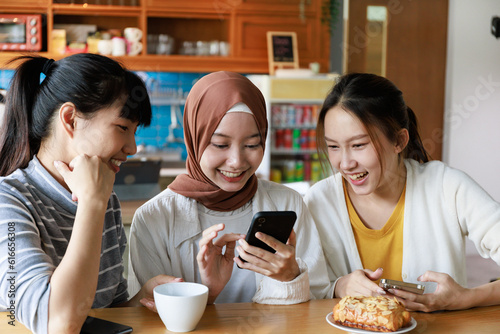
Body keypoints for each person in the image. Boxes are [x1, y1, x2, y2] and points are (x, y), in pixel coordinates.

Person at [0, 54, 181, 334]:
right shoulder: (8, 201)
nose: (132, 147)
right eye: (122, 128)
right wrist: (91, 204)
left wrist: (141, 297)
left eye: (134, 132)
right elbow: (58, 324)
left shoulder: (104, 201)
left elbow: (104, 313)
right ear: (70, 119)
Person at [127, 71, 332, 305]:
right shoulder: (154, 217)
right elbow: (145, 315)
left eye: (252, 144)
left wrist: (289, 278)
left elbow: (318, 305)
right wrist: (208, 293)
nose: (236, 161)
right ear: (195, 139)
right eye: (220, 144)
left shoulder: (289, 203)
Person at [305, 72, 500, 312]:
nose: (345, 163)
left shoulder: (447, 187)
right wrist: (339, 286)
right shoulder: (318, 201)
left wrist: (466, 297)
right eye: (333, 146)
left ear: (399, 140)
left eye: (358, 145)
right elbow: (304, 292)